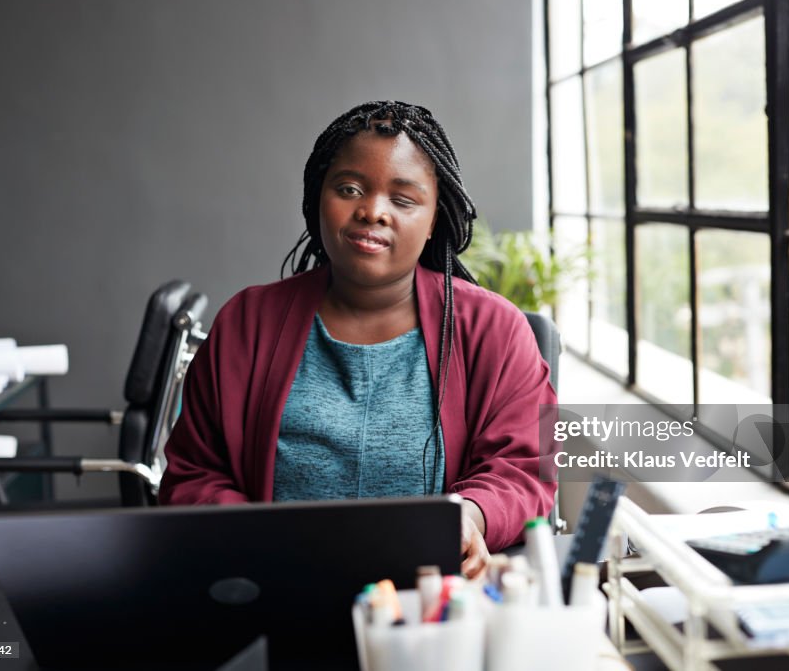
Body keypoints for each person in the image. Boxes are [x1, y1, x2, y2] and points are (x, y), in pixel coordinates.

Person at [158, 100, 556, 578]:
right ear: (316, 197)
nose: (372, 211)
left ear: (433, 220)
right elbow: (194, 473)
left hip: (434, 601)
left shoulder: (495, 329)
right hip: (276, 590)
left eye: (403, 199)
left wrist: (473, 513)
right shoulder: (247, 322)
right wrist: (252, 540)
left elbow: (524, 466)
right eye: (348, 188)